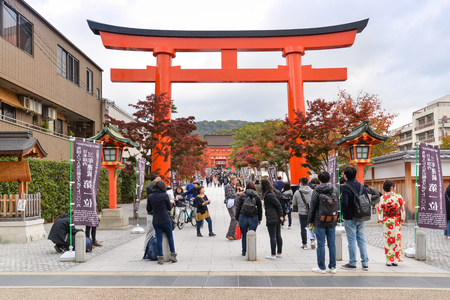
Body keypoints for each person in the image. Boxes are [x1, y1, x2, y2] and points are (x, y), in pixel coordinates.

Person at [308, 172, 338, 274]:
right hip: (332, 219)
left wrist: (310, 221)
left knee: (321, 244)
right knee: (332, 243)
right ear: (329, 179)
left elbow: (312, 206)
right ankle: (333, 267)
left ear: (319, 180)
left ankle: (321, 267)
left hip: (319, 219)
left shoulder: (316, 190)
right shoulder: (335, 189)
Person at [340, 166, 370, 271]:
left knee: (351, 239)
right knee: (361, 238)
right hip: (361, 216)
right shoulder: (361, 186)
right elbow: (367, 200)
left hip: (350, 217)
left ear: (345, 176)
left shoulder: (345, 187)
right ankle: (365, 262)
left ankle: (352, 262)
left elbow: (344, 203)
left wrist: (342, 213)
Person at [147, 181, 177, 265]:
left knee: (159, 238)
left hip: (156, 220)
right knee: (170, 236)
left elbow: (148, 209)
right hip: (166, 219)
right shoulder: (165, 195)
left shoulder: (150, 196)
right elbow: (169, 207)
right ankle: (173, 255)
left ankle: (160, 258)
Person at [377, 180, 405, 266]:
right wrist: (402, 219)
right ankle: (395, 260)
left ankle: (389, 260)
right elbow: (402, 208)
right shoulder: (398, 196)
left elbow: (380, 210)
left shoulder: (382, 198)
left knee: (388, 240)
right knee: (396, 240)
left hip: (386, 220)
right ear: (392, 187)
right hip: (396, 220)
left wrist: (381, 219)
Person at [235, 181, 263, 256]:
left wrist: (237, 217)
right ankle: (251, 250)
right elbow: (260, 209)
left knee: (244, 234)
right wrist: (260, 219)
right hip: (254, 217)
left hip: (243, 216)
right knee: (252, 234)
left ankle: (244, 251)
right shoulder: (257, 196)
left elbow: (238, 207)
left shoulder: (242, 195)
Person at [261, 179, 284, 260]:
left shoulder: (269, 195)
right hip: (276, 216)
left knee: (273, 236)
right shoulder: (272, 193)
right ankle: (279, 253)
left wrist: (281, 215)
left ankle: (273, 254)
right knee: (277, 235)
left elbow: (278, 204)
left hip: (272, 216)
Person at [293, 176, 314, 249]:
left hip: (302, 212)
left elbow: (294, 203)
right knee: (311, 226)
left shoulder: (297, 192)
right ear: (308, 183)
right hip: (311, 212)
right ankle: (312, 241)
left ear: (300, 183)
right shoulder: (312, 191)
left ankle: (304, 244)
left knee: (303, 228)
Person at [225, 176, 243, 240]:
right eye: (235, 180)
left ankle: (232, 234)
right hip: (231, 204)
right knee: (234, 218)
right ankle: (229, 234)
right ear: (232, 180)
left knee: (235, 218)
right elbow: (230, 195)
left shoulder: (232, 186)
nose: (236, 181)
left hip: (234, 203)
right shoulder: (228, 186)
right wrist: (238, 194)